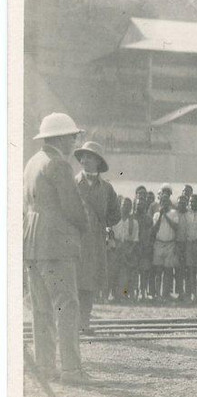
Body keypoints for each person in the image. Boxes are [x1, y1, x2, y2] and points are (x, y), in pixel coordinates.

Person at [24, 112, 90, 383]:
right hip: (56, 245)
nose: (75, 141)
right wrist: (84, 226)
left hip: (33, 244)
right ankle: (72, 370)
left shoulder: (33, 162)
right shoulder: (59, 165)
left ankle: (45, 367)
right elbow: (73, 208)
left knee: (41, 310)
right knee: (67, 306)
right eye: (73, 136)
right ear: (61, 138)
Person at [73, 141, 120, 331]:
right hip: (75, 242)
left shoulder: (107, 188)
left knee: (89, 285)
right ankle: (72, 324)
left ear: (98, 162)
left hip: (96, 244)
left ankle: (84, 322)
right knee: (74, 283)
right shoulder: (72, 183)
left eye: (89, 156)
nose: (84, 160)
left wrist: (102, 225)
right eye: (83, 156)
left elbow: (115, 214)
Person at [151, 185, 180, 301]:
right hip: (159, 243)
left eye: (166, 201)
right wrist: (161, 215)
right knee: (158, 270)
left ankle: (165, 294)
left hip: (170, 244)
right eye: (162, 201)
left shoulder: (173, 213)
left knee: (168, 271)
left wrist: (166, 216)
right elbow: (155, 229)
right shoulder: (157, 214)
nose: (164, 203)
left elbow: (175, 227)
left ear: (169, 202)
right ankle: (158, 294)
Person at [110, 197, 140, 302]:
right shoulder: (114, 220)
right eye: (124, 205)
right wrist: (114, 247)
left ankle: (124, 295)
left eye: (128, 206)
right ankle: (114, 295)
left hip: (128, 249)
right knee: (114, 272)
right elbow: (111, 236)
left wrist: (129, 251)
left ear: (131, 208)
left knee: (125, 274)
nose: (125, 208)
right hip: (115, 248)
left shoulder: (134, 222)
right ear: (120, 206)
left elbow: (136, 239)